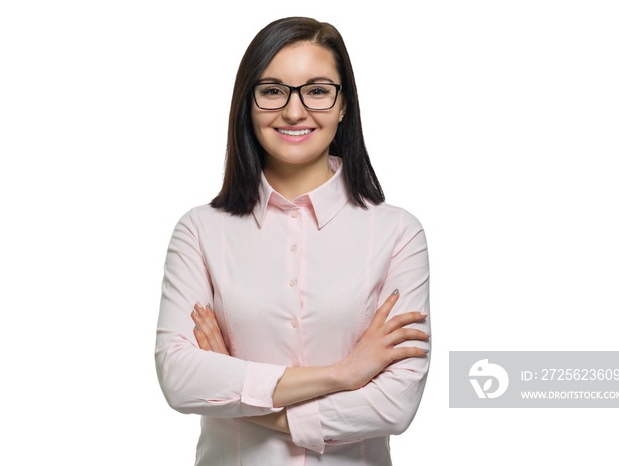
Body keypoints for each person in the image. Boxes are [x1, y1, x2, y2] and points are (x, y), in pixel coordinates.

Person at [155, 16, 431, 465]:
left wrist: (238, 390)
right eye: (272, 91)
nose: (295, 111)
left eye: (318, 90)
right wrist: (345, 374)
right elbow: (180, 378)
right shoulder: (200, 231)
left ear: (344, 107)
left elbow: (393, 405)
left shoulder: (397, 233)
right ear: (249, 103)